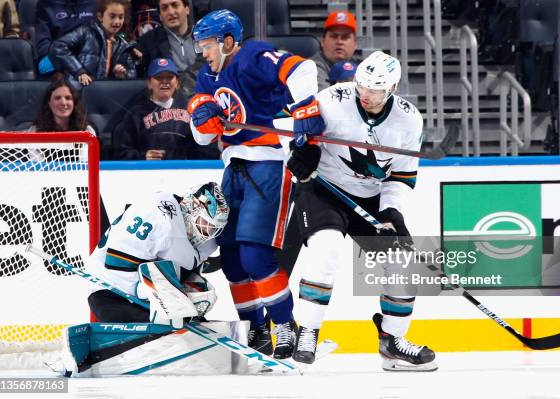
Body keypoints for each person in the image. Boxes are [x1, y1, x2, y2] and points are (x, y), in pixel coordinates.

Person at [285, 51, 437, 371]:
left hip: (370, 197)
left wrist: (391, 210)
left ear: (392, 89)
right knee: (327, 251)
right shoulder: (331, 100)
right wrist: (301, 151)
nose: (365, 95)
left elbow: (401, 176)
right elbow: (299, 129)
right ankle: (307, 332)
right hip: (322, 190)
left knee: (402, 262)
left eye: (375, 90)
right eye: (362, 86)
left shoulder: (408, 120)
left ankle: (392, 342)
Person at [188, 9, 319, 359]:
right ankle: (255, 330)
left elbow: (303, 68)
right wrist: (203, 121)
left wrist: (305, 110)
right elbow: (200, 137)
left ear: (228, 42)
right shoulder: (207, 76)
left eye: (207, 45)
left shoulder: (252, 56)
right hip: (233, 169)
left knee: (255, 255)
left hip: (268, 165)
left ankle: (284, 326)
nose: (203, 52)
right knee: (231, 259)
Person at [87, 182, 228, 324]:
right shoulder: (161, 219)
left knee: (183, 314)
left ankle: (180, 322)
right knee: (168, 328)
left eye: (213, 228)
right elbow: (114, 264)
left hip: (146, 298)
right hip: (110, 293)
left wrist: (185, 296)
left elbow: (181, 271)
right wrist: (153, 293)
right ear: (192, 208)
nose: (208, 233)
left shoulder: (198, 236)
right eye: (206, 224)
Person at [113, 58, 219, 160]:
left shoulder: (192, 111)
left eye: (169, 77)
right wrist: (143, 157)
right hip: (147, 172)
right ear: (149, 83)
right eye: (159, 77)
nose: (165, 81)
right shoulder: (135, 114)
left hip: (184, 172)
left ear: (177, 83)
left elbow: (207, 148)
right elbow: (121, 151)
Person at [49, 0, 137, 88]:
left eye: (121, 17)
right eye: (112, 16)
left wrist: (123, 75)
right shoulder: (86, 32)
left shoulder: (124, 45)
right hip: (80, 92)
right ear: (100, 16)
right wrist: (79, 71)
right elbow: (58, 46)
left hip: (105, 95)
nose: (117, 22)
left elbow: (132, 75)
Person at [136, 0, 204, 98]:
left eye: (175, 5)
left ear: (187, 9)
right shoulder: (147, 42)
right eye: (164, 8)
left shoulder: (205, 37)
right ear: (160, 16)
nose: (171, 12)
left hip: (205, 96)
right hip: (170, 102)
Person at [35, 0, 97, 73]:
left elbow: (106, 35)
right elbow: (43, 45)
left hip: (89, 59)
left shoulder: (97, 3)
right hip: (59, 61)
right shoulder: (45, 5)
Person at [310, 10, 358, 91]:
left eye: (345, 37)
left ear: (355, 44)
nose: (339, 42)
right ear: (322, 41)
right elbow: (323, 100)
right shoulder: (310, 67)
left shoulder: (362, 66)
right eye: (333, 36)